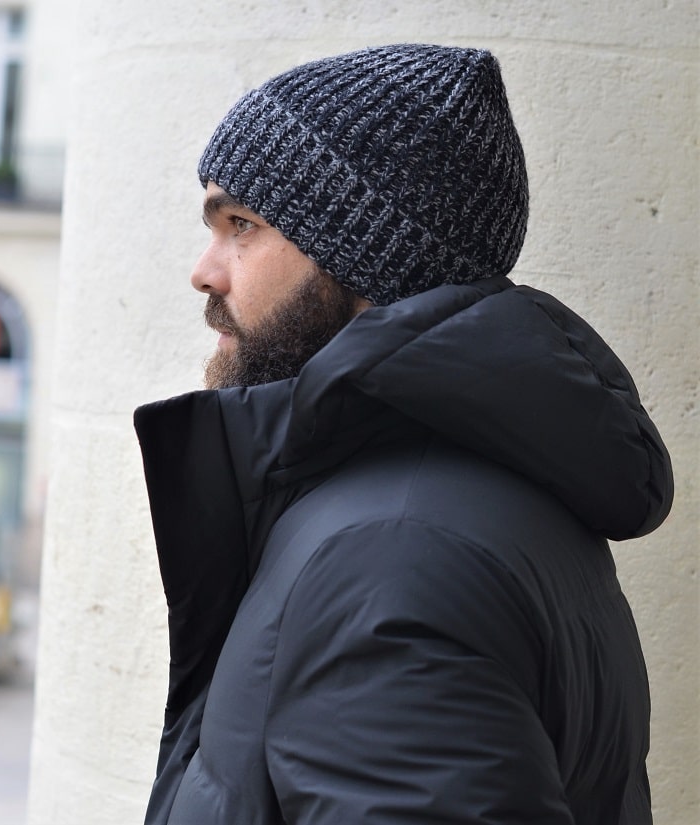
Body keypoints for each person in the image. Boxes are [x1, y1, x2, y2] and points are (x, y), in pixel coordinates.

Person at [134, 43, 673, 825]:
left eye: (241, 223)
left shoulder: (386, 560)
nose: (204, 271)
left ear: (366, 257)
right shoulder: (446, 499)